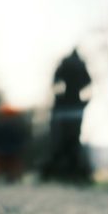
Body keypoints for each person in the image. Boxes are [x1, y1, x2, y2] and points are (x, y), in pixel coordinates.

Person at [41, 48, 92, 182]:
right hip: (76, 108)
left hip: (61, 109)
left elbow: (54, 83)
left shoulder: (63, 65)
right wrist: (85, 102)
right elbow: (89, 84)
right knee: (74, 141)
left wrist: (59, 97)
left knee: (58, 141)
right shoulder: (81, 66)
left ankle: (56, 172)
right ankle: (75, 172)